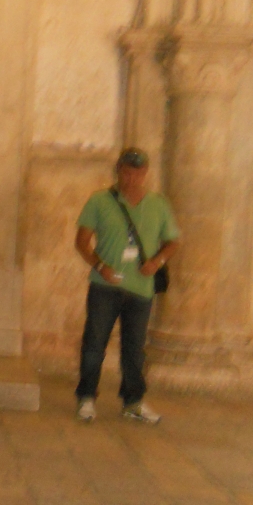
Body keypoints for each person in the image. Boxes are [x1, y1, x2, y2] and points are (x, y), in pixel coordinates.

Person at [74, 147, 180, 424]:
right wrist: (101, 266)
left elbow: (173, 241)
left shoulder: (158, 204)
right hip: (104, 286)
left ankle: (133, 402)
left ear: (145, 174)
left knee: (134, 349)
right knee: (94, 343)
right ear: (118, 171)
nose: (131, 179)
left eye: (138, 173)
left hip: (141, 288)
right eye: (126, 172)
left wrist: (157, 261)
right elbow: (82, 242)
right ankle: (86, 397)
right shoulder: (99, 201)